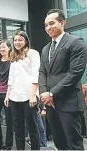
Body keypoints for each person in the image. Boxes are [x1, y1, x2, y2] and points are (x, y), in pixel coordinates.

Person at [39, 9, 87, 150]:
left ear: (63, 22)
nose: (48, 28)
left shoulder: (76, 42)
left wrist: (52, 93)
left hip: (69, 103)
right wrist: (43, 94)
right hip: (51, 105)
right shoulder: (46, 49)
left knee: (74, 144)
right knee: (59, 143)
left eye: (52, 23)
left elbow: (74, 74)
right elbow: (42, 72)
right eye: (46, 25)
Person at [4, 31, 40, 150]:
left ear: (25, 41)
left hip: (29, 96)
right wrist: (7, 95)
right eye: (15, 40)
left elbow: (36, 74)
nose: (17, 42)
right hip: (15, 97)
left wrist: (33, 95)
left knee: (32, 127)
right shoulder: (14, 57)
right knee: (18, 129)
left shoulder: (32, 53)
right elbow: (11, 78)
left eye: (20, 40)